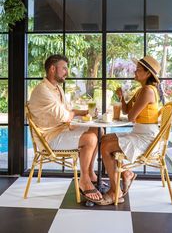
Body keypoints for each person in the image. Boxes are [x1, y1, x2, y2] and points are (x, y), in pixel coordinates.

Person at [28, 54, 103, 202]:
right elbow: (65, 116)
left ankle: (90, 173)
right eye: (64, 68)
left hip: (62, 131)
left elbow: (69, 110)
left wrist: (86, 112)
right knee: (90, 138)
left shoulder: (57, 90)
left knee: (98, 131)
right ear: (52, 69)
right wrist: (74, 113)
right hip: (49, 139)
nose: (67, 72)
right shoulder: (42, 90)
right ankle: (84, 179)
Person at [100, 55, 161, 205]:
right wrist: (122, 98)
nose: (135, 71)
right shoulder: (142, 90)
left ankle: (115, 190)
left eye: (138, 69)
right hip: (139, 133)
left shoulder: (147, 91)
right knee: (105, 139)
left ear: (148, 74)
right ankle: (126, 173)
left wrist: (131, 107)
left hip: (147, 138)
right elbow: (127, 111)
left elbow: (132, 116)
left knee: (106, 147)